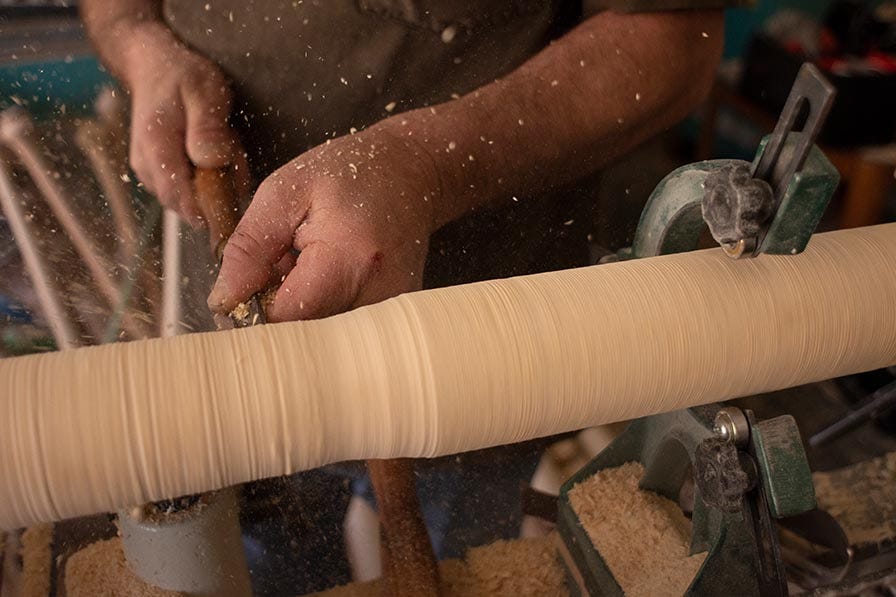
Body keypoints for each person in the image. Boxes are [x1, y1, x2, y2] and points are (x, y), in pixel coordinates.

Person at [80, 0, 728, 593]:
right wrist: (139, 42)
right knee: (258, 559)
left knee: (464, 560)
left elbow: (675, 38)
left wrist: (426, 164)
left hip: (466, 331)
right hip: (238, 309)